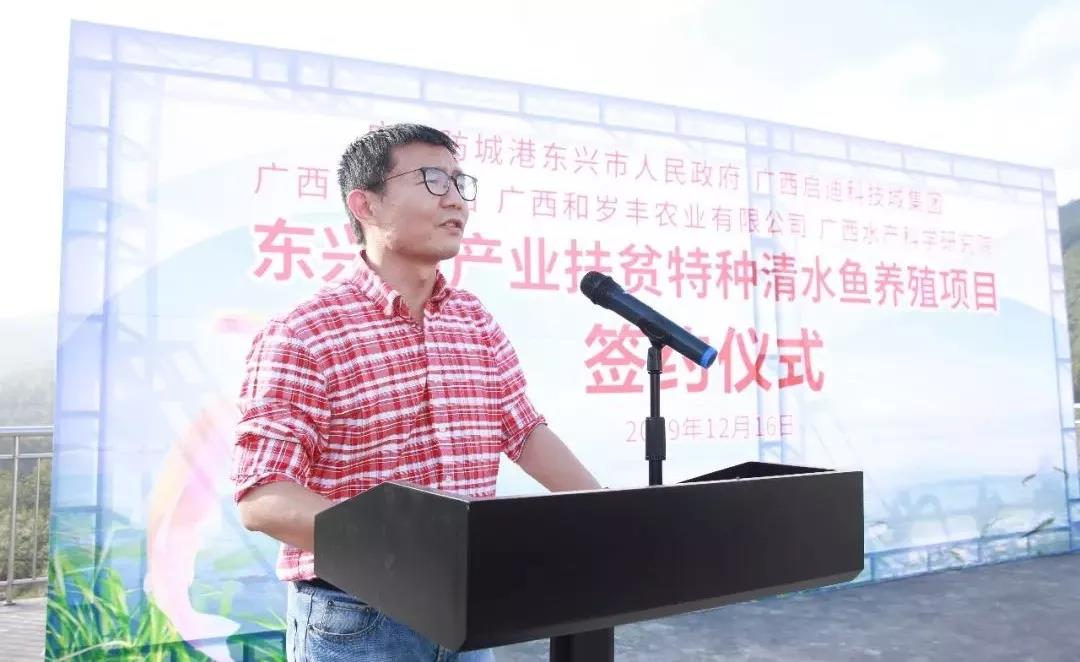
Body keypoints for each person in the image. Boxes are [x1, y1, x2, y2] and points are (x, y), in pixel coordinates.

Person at [231, 123, 602, 661]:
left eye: (459, 182)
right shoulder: (305, 332)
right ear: (366, 205)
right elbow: (264, 497)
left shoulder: (473, 320)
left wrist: (610, 518)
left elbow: (523, 432)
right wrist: (405, 554)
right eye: (432, 180)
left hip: (465, 614)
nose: (456, 200)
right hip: (358, 617)